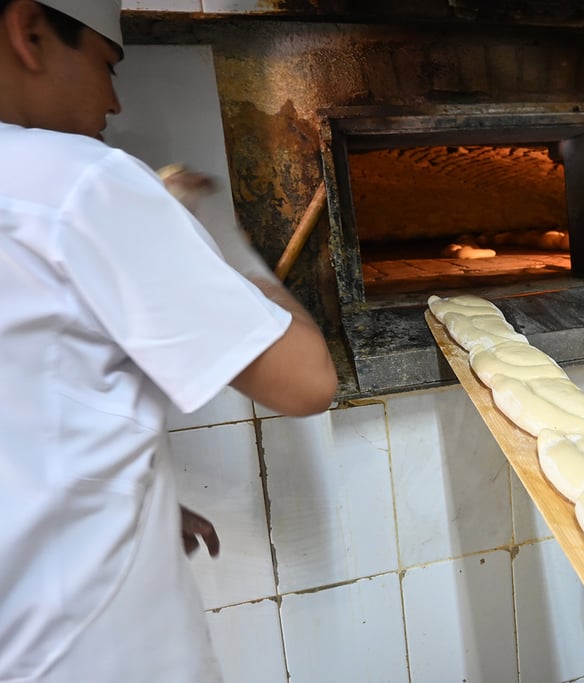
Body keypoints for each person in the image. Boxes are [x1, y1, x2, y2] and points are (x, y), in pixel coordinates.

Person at [0, 1, 339, 681]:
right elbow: (308, 380)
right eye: (106, 64)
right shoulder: (80, 179)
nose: (115, 101)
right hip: (98, 655)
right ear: (30, 32)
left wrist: (140, 496)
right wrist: (224, 243)